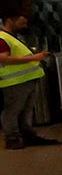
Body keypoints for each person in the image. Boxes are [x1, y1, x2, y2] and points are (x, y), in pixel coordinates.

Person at [1, 11, 55, 150]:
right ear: (9, 20)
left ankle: (27, 135)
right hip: (13, 81)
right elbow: (3, 58)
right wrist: (34, 58)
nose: (24, 26)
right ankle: (12, 137)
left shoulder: (14, 37)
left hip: (26, 79)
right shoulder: (2, 38)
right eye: (21, 22)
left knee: (26, 110)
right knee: (13, 110)